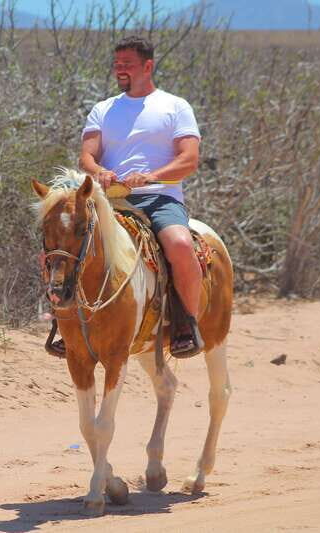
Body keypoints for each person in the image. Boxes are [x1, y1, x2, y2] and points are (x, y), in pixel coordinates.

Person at [79, 35, 204, 357]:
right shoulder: (103, 109)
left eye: (128, 64)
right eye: (117, 64)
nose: (120, 69)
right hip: (109, 199)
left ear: (148, 66)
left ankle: (185, 323)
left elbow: (189, 159)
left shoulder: (175, 106)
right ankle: (65, 320)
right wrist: (100, 172)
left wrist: (151, 176)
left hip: (158, 197)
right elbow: (87, 157)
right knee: (64, 239)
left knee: (180, 244)